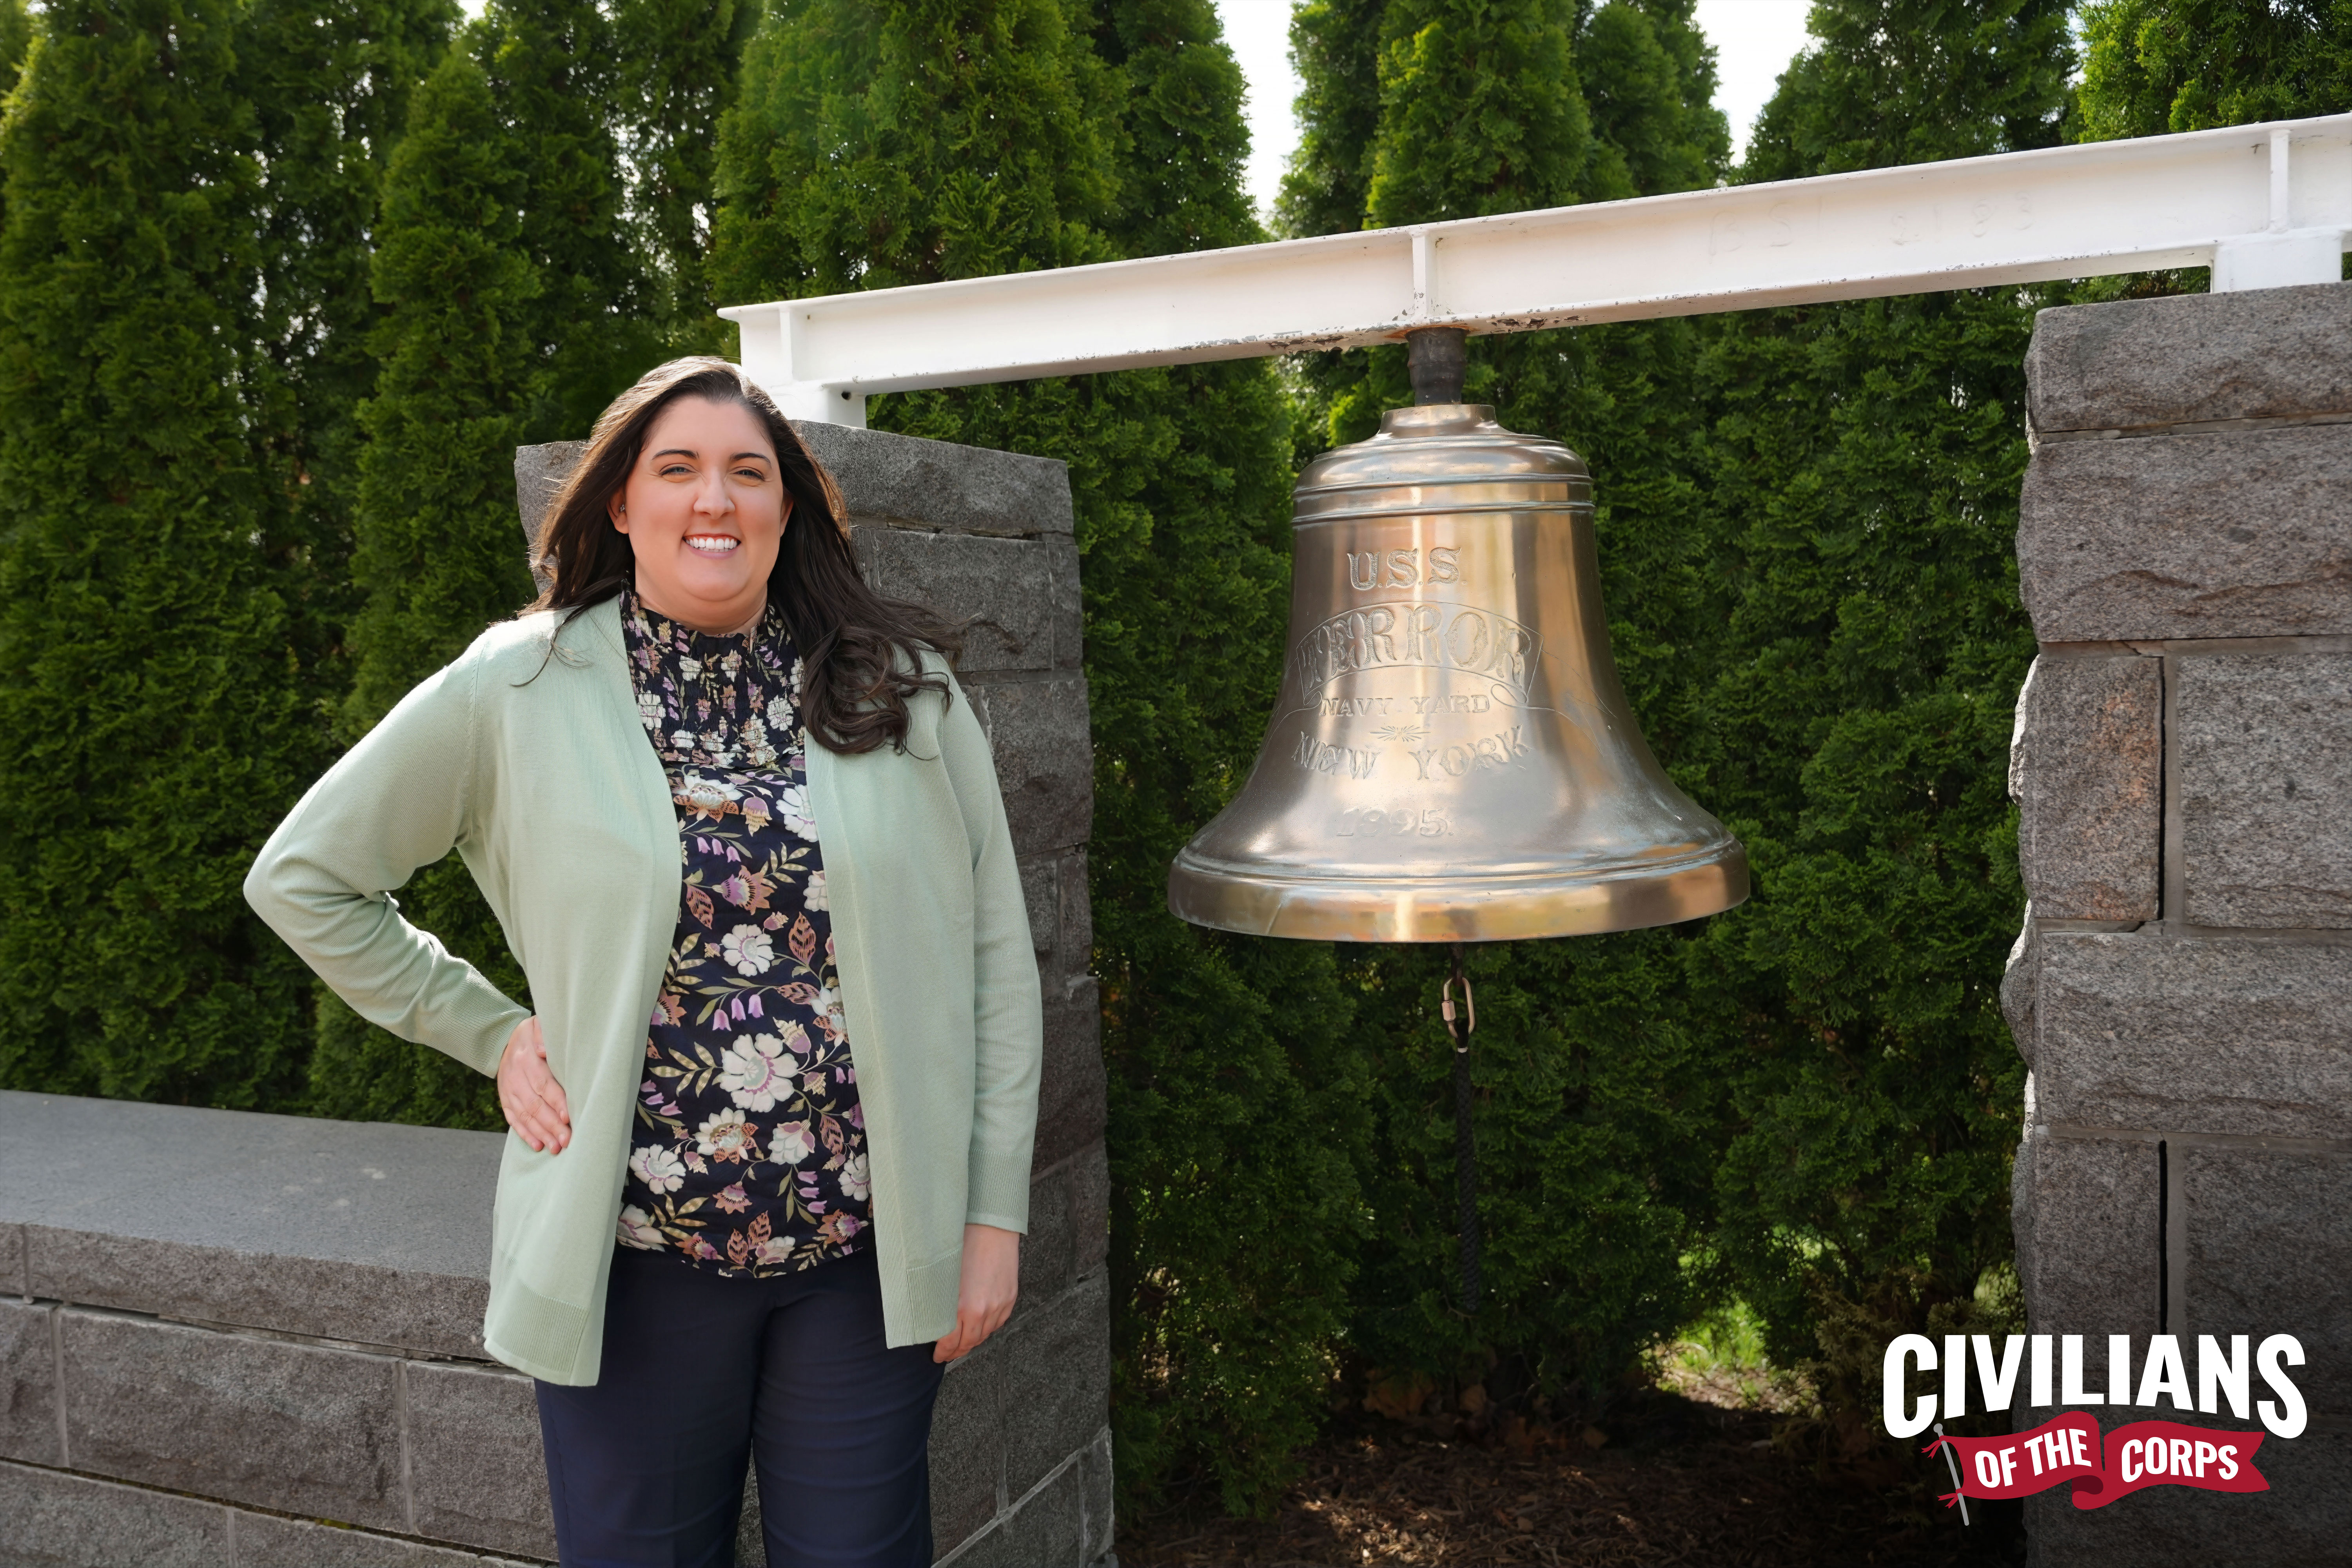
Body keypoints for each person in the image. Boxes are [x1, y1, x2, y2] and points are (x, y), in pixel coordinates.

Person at [246, 357, 1042, 1567]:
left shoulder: (903, 693)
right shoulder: (518, 685)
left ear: (786, 507)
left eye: (747, 473)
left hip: (865, 1271)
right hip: (634, 1271)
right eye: (677, 469)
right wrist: (490, 1031)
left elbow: (995, 959)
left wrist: (990, 1216)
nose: (714, 498)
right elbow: (306, 876)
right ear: (622, 503)